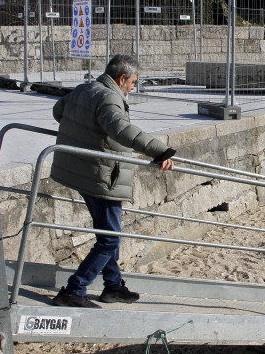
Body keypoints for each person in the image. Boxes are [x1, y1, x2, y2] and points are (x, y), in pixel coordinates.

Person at [50, 54, 175, 308]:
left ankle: (113, 286)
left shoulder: (84, 89)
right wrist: (159, 151)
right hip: (102, 176)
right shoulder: (109, 97)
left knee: (106, 234)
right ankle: (74, 289)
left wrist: (85, 133)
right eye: (132, 83)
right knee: (109, 239)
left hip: (84, 172)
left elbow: (58, 111)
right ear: (121, 78)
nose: (132, 88)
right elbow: (120, 129)